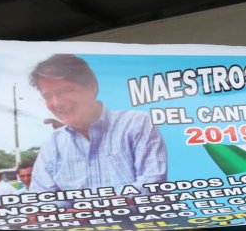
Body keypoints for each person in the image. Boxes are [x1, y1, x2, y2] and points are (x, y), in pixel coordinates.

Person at [27, 54, 167, 194]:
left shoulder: (136, 123)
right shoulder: (52, 144)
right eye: (48, 96)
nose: (57, 103)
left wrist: (97, 207)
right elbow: (42, 197)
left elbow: (153, 182)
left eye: (66, 91)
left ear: (92, 87)